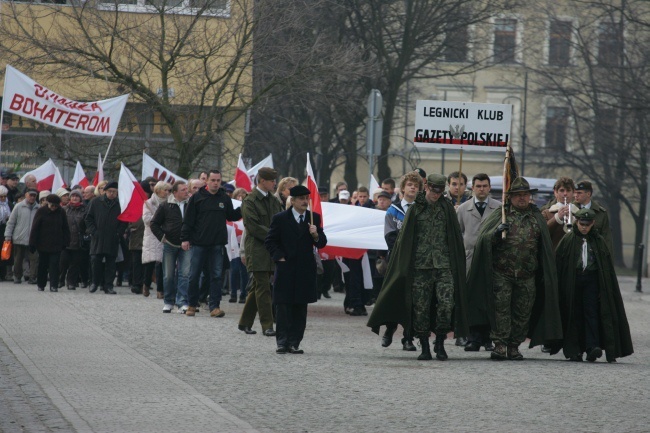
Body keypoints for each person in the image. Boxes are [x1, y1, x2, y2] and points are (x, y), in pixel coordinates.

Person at [368, 174, 468, 361]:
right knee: (420, 308)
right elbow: (404, 240)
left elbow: (455, 238)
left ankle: (439, 341)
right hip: (420, 267)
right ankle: (423, 344)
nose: (436, 194)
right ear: (427, 187)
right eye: (434, 190)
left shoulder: (447, 208)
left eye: (440, 191)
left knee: (446, 305)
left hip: (443, 265)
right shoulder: (415, 210)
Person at [466, 177, 563, 360]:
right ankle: (500, 345)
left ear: (530, 197)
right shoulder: (501, 214)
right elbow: (484, 239)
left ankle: (514, 345)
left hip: (527, 275)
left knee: (522, 312)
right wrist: (495, 234)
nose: (522, 199)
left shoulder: (536, 217)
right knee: (501, 311)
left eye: (525, 195)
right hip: (502, 273)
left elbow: (544, 246)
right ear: (510, 197)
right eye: (518, 195)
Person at [554, 208, 633, 363]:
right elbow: (559, 263)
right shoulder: (569, 239)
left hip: (592, 280)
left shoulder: (598, 241)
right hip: (573, 280)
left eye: (587, 224)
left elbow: (605, 266)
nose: (584, 227)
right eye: (581, 223)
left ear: (593, 223)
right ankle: (575, 350)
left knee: (592, 313)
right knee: (573, 314)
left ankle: (592, 347)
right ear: (577, 222)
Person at [265, 185, 327, 354]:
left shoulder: (313, 217)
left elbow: (321, 242)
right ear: (292, 201)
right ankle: (282, 341)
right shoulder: (280, 218)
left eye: (306, 198)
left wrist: (315, 235)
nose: (305, 202)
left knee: (300, 307)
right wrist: (280, 257)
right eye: (301, 199)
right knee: (283, 306)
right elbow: (270, 241)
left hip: (304, 269)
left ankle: (295, 342)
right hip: (286, 268)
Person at [181, 170, 241, 317]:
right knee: (194, 275)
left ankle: (215, 306)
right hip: (199, 243)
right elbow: (188, 220)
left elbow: (232, 216)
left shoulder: (224, 198)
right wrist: (185, 238)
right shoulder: (197, 197)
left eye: (218, 180)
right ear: (206, 181)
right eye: (213, 180)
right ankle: (191, 304)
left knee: (216, 276)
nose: (215, 183)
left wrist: (244, 208)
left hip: (217, 244)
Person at [457, 173, 501, 351]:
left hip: (491, 259)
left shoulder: (499, 208)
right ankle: (473, 337)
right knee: (472, 299)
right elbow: (458, 232)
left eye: (484, 186)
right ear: (472, 188)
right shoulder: (463, 208)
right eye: (478, 186)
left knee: (490, 298)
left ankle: (488, 337)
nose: (481, 189)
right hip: (470, 258)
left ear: (489, 188)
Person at [380, 171, 422, 351]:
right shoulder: (393, 210)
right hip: (396, 261)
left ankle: (408, 338)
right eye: (410, 184)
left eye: (416, 185)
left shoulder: (422, 209)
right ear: (403, 188)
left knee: (413, 301)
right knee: (394, 296)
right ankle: (390, 328)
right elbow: (390, 236)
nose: (413, 187)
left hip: (416, 261)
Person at [238, 167, 282, 335]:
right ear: (262, 181)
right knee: (263, 288)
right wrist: (274, 237)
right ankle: (267, 325)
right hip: (256, 250)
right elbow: (253, 226)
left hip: (270, 249)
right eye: (271, 181)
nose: (274, 183)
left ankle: (244, 322)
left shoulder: (274, 200)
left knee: (258, 286)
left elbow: (280, 221)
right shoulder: (250, 201)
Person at [151, 180, 191, 313]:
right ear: (175, 193)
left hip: (187, 245)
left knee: (184, 274)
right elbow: (154, 223)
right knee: (168, 275)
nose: (186, 192)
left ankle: (182, 302)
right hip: (170, 244)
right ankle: (168, 301)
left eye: (187, 189)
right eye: (183, 190)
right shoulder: (165, 206)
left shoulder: (191, 204)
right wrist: (162, 238)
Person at [85, 181, 127, 294]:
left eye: (114, 192)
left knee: (111, 263)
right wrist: (93, 231)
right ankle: (94, 282)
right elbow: (88, 218)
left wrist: (119, 233)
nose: (112, 194)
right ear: (105, 191)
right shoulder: (95, 202)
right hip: (98, 237)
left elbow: (124, 221)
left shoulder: (120, 203)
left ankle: (108, 285)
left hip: (112, 237)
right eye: (110, 191)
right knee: (95, 260)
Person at [29, 194, 70, 292]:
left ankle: (53, 285)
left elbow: (65, 228)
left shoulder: (61, 212)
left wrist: (66, 241)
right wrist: (32, 243)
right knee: (43, 265)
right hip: (43, 244)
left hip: (56, 244)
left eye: (56, 206)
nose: (54, 208)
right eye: (52, 206)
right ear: (48, 203)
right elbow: (35, 229)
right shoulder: (41, 211)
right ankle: (41, 284)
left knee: (54, 265)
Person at [142, 181, 171, 299]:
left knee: (163, 263)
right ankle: (146, 284)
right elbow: (146, 220)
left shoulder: (170, 203)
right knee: (150, 263)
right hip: (152, 235)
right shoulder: (149, 203)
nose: (168, 193)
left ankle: (161, 290)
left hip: (165, 235)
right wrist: (158, 217)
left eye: (169, 190)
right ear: (158, 191)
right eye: (166, 190)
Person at [5, 188, 39, 284]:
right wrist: (8, 235)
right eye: (30, 195)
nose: (32, 197)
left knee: (34, 259)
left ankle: (33, 277)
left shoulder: (38, 208)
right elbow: (11, 222)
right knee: (18, 259)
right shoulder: (18, 207)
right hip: (19, 237)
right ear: (26, 195)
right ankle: (17, 276)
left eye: (34, 195)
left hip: (33, 239)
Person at [573, 180, 613, 256]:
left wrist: (607, 260)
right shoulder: (570, 210)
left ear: (588, 194)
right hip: (574, 254)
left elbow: (606, 238)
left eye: (579, 193)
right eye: (575, 192)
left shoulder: (601, 213)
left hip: (594, 255)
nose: (575, 195)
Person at [59, 190, 87, 290]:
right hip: (65, 241)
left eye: (77, 196)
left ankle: (71, 282)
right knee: (63, 262)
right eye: (73, 196)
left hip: (78, 241)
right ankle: (60, 280)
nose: (74, 198)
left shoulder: (85, 210)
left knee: (75, 264)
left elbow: (87, 225)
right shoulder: (64, 209)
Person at [541, 177, 578, 249]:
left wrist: (574, 221)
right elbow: (542, 233)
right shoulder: (546, 213)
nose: (565, 194)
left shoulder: (579, 213)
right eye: (561, 190)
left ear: (573, 192)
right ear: (555, 192)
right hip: (553, 255)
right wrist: (556, 218)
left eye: (568, 190)